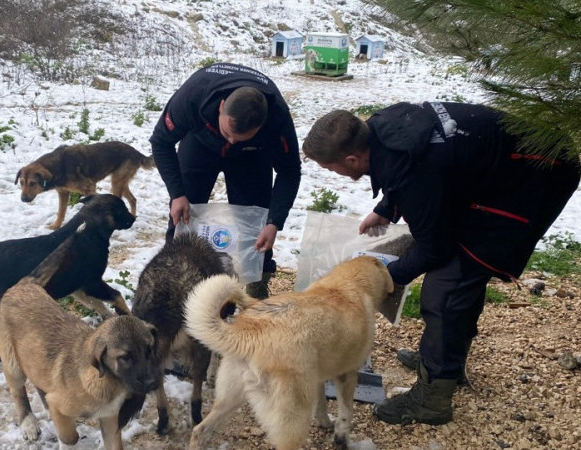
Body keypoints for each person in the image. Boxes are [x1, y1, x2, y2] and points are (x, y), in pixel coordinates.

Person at [302, 102, 580, 425]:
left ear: (351, 159)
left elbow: (434, 247)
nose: (332, 173)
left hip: (537, 174)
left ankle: (433, 397)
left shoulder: (416, 172)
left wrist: (382, 276)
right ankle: (445, 359)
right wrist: (387, 208)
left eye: (330, 168)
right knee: (455, 274)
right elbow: (406, 167)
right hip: (501, 167)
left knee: (447, 287)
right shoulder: (382, 128)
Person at [149, 63, 302, 299]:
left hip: (250, 156)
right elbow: (160, 141)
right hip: (200, 143)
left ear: (261, 126)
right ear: (221, 107)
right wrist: (177, 193)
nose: (230, 140)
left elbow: (290, 171)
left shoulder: (277, 119)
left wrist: (274, 221)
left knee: (255, 227)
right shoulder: (193, 96)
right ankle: (173, 290)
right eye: (227, 132)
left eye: (237, 137)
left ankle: (255, 292)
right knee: (182, 217)